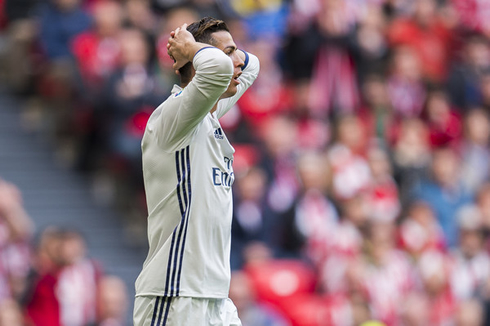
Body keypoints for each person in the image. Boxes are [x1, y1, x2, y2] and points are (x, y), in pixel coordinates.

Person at [133, 17, 260, 326]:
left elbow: (252, 65)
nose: (238, 63)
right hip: (174, 294)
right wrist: (191, 48)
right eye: (228, 53)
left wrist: (209, 49)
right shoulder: (175, 116)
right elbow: (217, 69)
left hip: (214, 296)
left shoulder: (208, 115)